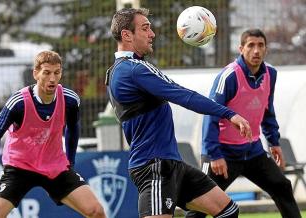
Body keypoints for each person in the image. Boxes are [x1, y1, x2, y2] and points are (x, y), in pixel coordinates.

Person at [108, 8, 253, 218]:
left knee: (227, 210)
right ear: (127, 35)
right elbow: (183, 95)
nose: (152, 34)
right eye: (145, 28)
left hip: (171, 163)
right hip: (153, 167)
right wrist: (229, 114)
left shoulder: (122, 70)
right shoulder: (133, 69)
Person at [185, 29, 302, 218]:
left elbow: (267, 111)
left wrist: (274, 142)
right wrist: (214, 154)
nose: (256, 51)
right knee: (201, 205)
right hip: (222, 154)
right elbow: (210, 114)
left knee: (282, 186)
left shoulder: (270, 74)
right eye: (251, 45)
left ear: (266, 49)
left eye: (260, 45)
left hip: (253, 151)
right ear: (241, 49)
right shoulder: (229, 76)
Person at [0, 51, 106, 218]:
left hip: (54, 166)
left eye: (57, 72)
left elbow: (73, 130)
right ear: (36, 74)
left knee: (96, 211)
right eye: (46, 72)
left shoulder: (70, 100)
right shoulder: (18, 102)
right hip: (20, 166)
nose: (52, 78)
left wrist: (70, 163)